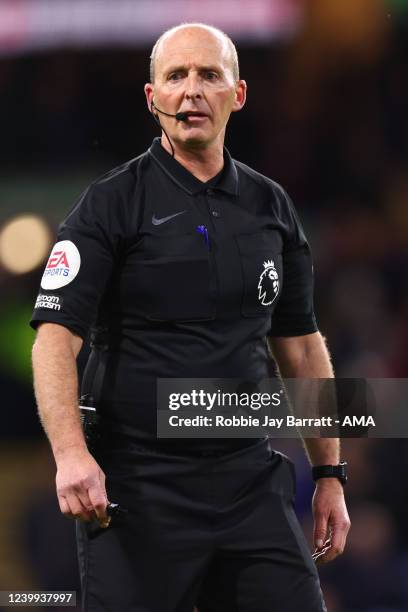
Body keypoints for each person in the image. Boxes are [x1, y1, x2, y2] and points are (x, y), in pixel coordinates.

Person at [31, 23, 350, 612]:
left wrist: (330, 474)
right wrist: (72, 455)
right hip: (137, 486)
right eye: (175, 77)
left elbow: (302, 348)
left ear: (239, 93)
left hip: (248, 478)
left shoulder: (271, 205)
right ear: (153, 99)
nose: (191, 91)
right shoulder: (110, 203)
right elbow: (53, 340)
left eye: (208, 75)